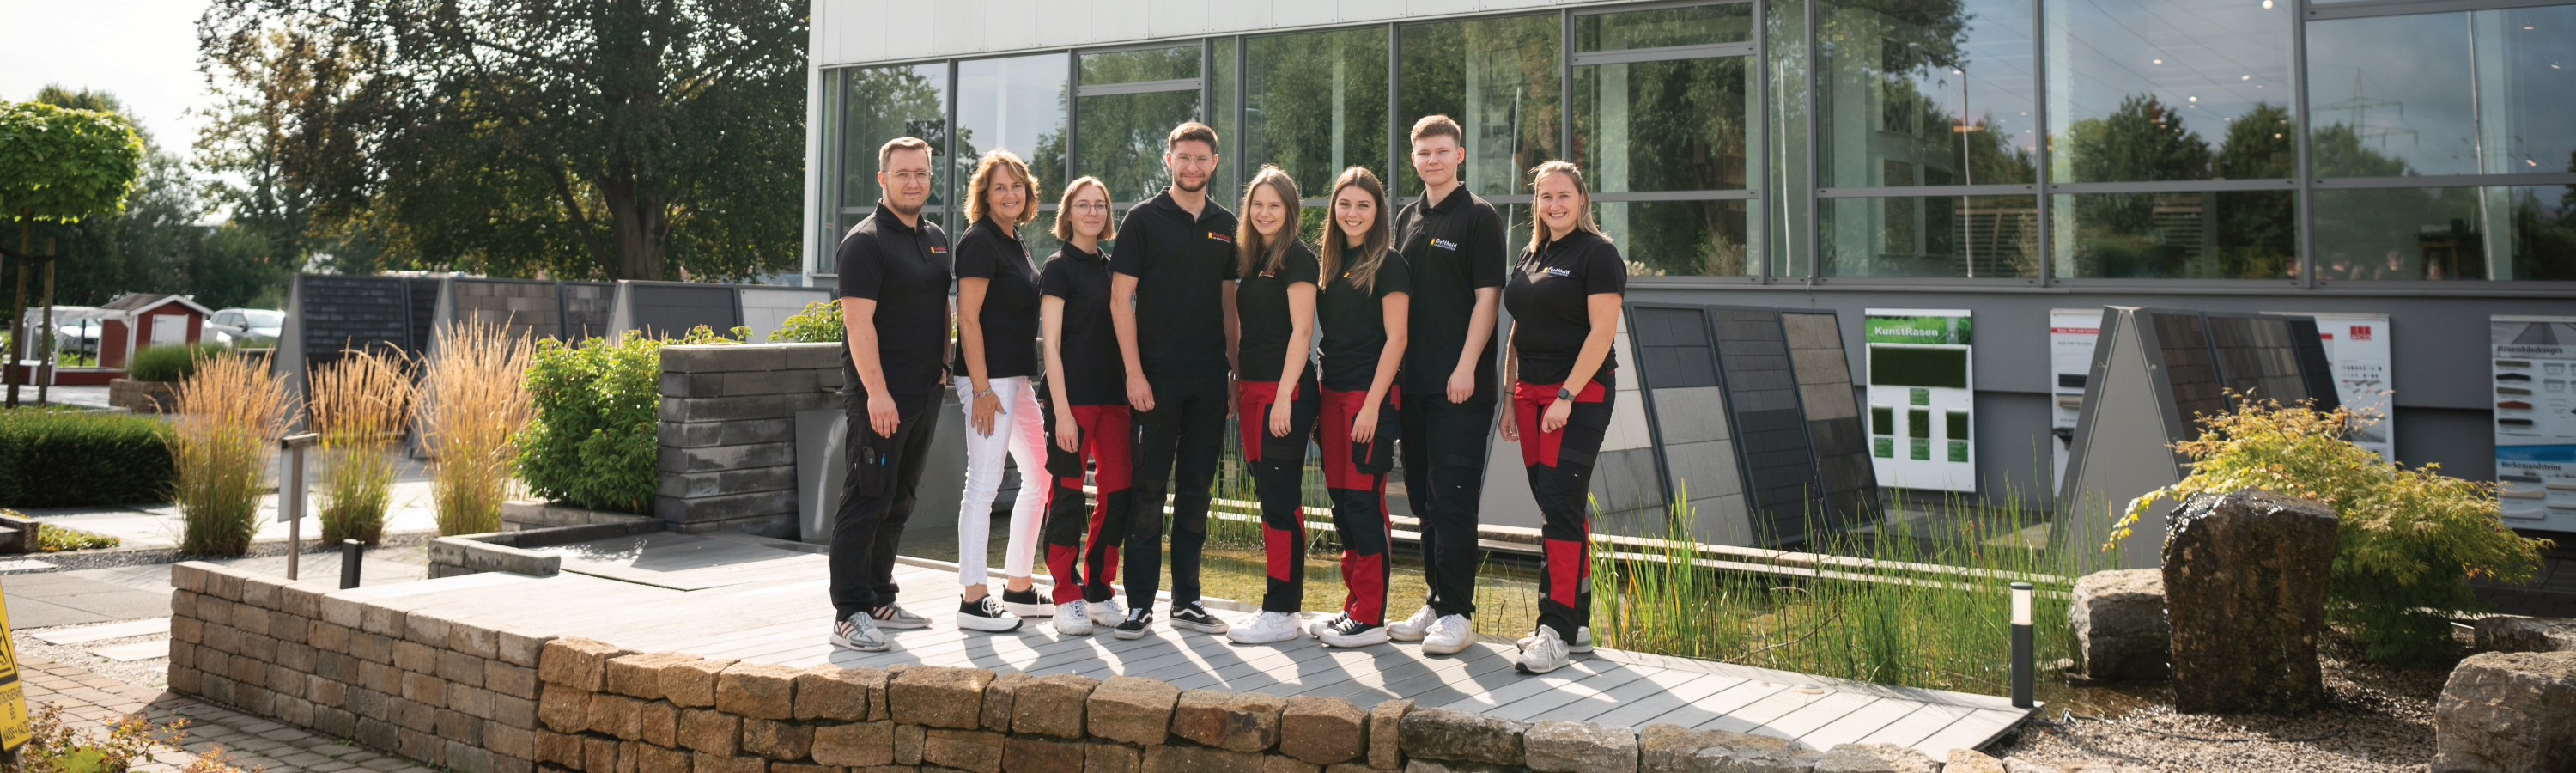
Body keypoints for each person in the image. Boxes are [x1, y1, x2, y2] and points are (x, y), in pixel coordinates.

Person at [1109, 122, 1240, 640]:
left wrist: (1235, 372)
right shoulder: (1142, 220)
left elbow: (1230, 307)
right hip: (1154, 381)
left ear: (1213, 163)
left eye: (1201, 159)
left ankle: (1187, 601)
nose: (1192, 166)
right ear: (1169, 160)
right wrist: (1134, 373)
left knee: (1196, 491)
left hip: (1209, 380)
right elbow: (1121, 301)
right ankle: (1139, 604)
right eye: (1183, 157)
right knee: (1147, 493)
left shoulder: (1227, 224)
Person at [1386, 115, 1509, 656]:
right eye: (1423, 152)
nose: (1433, 160)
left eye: (1442, 151)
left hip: (1461, 386)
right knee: (1422, 499)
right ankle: (1437, 600)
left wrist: (1466, 366)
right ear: (1413, 158)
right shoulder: (1407, 217)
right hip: (1411, 384)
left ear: (1459, 156)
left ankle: (1460, 612)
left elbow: (1488, 298)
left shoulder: (1480, 217)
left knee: (1454, 499)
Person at [1499, 160, 1625, 674]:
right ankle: (1577, 625)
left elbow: (1602, 333)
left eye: (1563, 196)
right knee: (1559, 507)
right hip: (1529, 395)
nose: (1554, 205)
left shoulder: (1598, 254)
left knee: (1560, 505)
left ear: (1582, 200)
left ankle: (1553, 628)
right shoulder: (1531, 252)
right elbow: (1518, 328)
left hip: (1580, 395)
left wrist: (1567, 395)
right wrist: (1508, 394)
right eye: (1545, 196)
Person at [829, 137, 952, 653]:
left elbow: (942, 307)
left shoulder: (936, 238)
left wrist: (944, 366)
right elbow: (858, 326)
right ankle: (849, 611)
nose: (913, 182)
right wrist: (877, 394)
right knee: (868, 497)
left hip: (924, 393)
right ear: (883, 179)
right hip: (880, 398)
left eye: (921, 173)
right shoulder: (865, 242)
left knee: (900, 499)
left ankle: (881, 596)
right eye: (902, 174)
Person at [1303, 166, 1409, 648]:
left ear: (1377, 211)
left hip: (1371, 400)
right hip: (1332, 398)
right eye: (1345, 204)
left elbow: (1397, 339)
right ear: (1334, 210)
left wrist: (1370, 407)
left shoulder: (1389, 263)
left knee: (1366, 506)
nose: (1353, 213)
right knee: (1342, 508)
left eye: (1363, 205)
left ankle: (1370, 617)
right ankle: (1353, 606)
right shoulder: (1328, 263)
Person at [948, 149, 1048, 633]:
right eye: (999, 187)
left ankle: (1019, 586)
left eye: (1017, 186)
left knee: (1043, 473)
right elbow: (967, 318)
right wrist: (983, 388)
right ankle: (972, 598)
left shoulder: (1015, 240)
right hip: (986, 382)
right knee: (984, 484)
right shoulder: (979, 242)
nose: (1010, 194)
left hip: (1017, 380)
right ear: (984, 195)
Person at [1224, 167, 1323, 646]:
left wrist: (1284, 396)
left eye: (1274, 205)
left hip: (1285, 395)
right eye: (1258, 204)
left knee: (1280, 504)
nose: (1265, 213)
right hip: (1252, 394)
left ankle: (1281, 609)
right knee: (1272, 500)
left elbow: (1302, 333)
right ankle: (1283, 605)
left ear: (1289, 210)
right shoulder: (1251, 258)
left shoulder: (1298, 259)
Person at [1036, 176, 1131, 636]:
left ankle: (1098, 588)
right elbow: (1050, 346)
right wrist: (1064, 411)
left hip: (1116, 399)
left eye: (1100, 205)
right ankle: (1065, 594)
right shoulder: (1058, 267)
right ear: (1068, 213)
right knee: (1068, 496)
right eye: (1083, 205)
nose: (1092, 212)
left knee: (1117, 497)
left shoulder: (1115, 268)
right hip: (1071, 401)